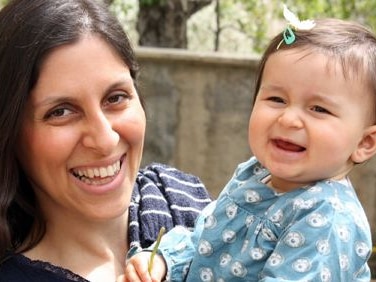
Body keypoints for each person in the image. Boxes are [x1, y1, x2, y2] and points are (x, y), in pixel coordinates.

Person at [125, 6, 376, 282]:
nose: (289, 118)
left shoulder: (328, 217)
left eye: (318, 109)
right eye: (277, 100)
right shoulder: (254, 173)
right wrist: (163, 260)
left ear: (364, 142)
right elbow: (205, 237)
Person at [0, 0, 212, 281]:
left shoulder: (183, 201)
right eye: (61, 112)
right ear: (10, 131)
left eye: (116, 98)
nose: (105, 140)